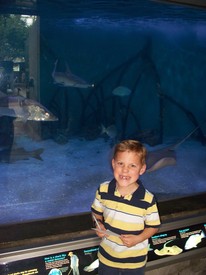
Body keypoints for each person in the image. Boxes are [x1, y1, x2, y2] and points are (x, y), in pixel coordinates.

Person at [91, 139, 161, 275]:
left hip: (134, 262)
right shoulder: (103, 190)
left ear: (142, 169)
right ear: (113, 164)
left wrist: (138, 238)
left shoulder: (148, 200)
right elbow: (95, 212)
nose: (125, 170)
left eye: (132, 165)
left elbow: (153, 226)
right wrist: (98, 224)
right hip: (107, 257)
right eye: (120, 163)